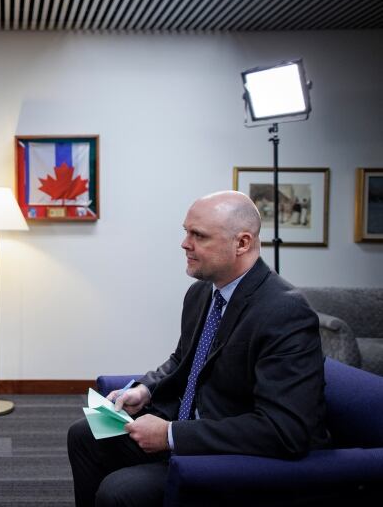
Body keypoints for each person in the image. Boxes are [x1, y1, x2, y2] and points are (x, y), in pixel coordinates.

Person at [67, 190, 328, 507]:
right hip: (187, 423)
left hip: (232, 454)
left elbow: (285, 430)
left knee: (118, 491)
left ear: (242, 243)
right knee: (84, 433)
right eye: (186, 232)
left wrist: (170, 435)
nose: (184, 243)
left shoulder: (285, 312)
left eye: (198, 235)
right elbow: (183, 360)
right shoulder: (202, 293)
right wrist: (145, 391)